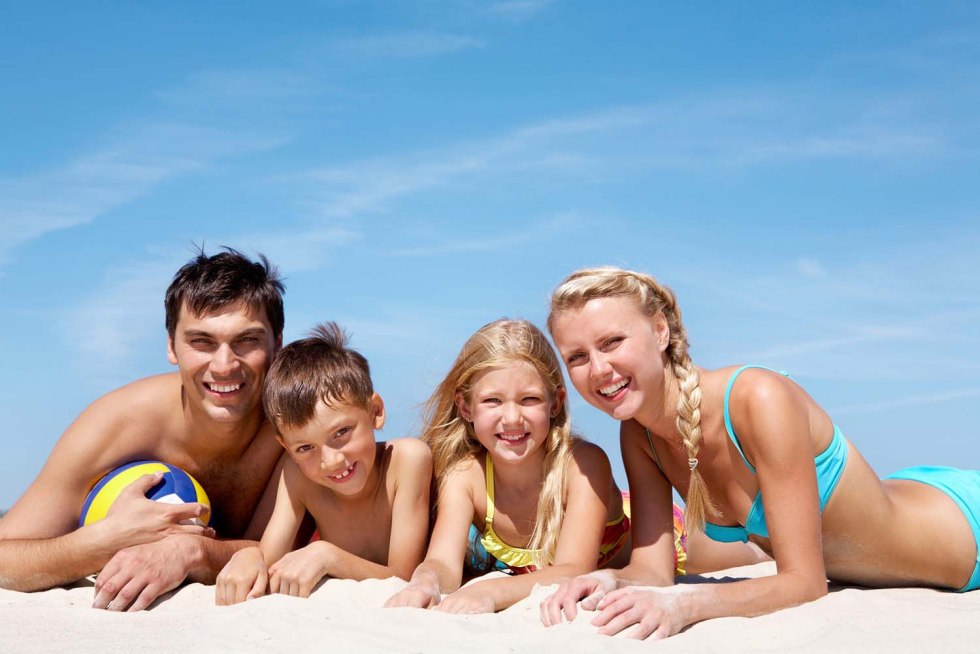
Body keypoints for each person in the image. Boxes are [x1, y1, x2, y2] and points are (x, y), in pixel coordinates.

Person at [539, 266, 980, 640]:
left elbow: (804, 583)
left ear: (660, 331)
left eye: (612, 342)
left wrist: (687, 606)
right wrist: (600, 579)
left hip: (964, 529)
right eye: (576, 356)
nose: (598, 369)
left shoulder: (757, 398)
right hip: (909, 490)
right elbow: (654, 571)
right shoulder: (639, 435)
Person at [385, 318, 756, 614]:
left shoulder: (582, 464)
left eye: (529, 399)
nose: (512, 418)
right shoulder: (465, 475)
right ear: (466, 408)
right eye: (492, 401)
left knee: (746, 554)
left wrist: (494, 590)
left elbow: (573, 569)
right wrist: (427, 581)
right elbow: (443, 561)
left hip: (664, 545)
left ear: (556, 402)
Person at [0, 248, 288, 612]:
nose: (225, 364)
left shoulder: (293, 426)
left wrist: (191, 551)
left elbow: (292, 547)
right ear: (172, 346)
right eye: (201, 341)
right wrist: (102, 541)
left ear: (277, 344)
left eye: (247, 340)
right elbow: (5, 556)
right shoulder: (116, 424)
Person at [215, 322, 432, 604]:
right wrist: (249, 556)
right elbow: (269, 560)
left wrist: (327, 556)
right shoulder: (298, 476)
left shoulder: (406, 461)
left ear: (375, 411)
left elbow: (402, 577)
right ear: (287, 449)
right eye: (305, 447)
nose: (330, 461)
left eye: (341, 432)